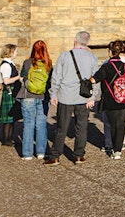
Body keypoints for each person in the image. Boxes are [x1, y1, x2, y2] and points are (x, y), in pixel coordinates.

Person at [44, 31, 99, 165]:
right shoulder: (92, 58)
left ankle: (55, 155)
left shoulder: (64, 56)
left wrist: (53, 94)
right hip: (83, 97)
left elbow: (56, 77)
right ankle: (79, 154)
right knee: (81, 127)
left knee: (61, 127)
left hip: (66, 96)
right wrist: (93, 96)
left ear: (75, 40)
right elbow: (96, 79)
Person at [92, 39, 125, 159]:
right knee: (121, 124)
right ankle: (118, 150)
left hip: (111, 99)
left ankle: (113, 148)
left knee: (113, 125)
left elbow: (95, 79)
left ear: (110, 52)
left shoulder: (106, 66)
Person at [16, 40, 52, 161]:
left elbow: (22, 76)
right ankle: (41, 152)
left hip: (28, 95)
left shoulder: (27, 62)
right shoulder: (49, 64)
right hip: (43, 97)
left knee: (28, 124)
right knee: (41, 124)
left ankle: (27, 154)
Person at [0, 43, 22, 147]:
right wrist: (18, 77)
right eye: (16, 51)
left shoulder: (10, 63)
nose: (17, 53)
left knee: (12, 117)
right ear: (10, 52)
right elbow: (5, 81)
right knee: (8, 118)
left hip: (13, 91)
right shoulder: (6, 65)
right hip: (9, 91)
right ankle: (6, 139)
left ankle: (10, 137)